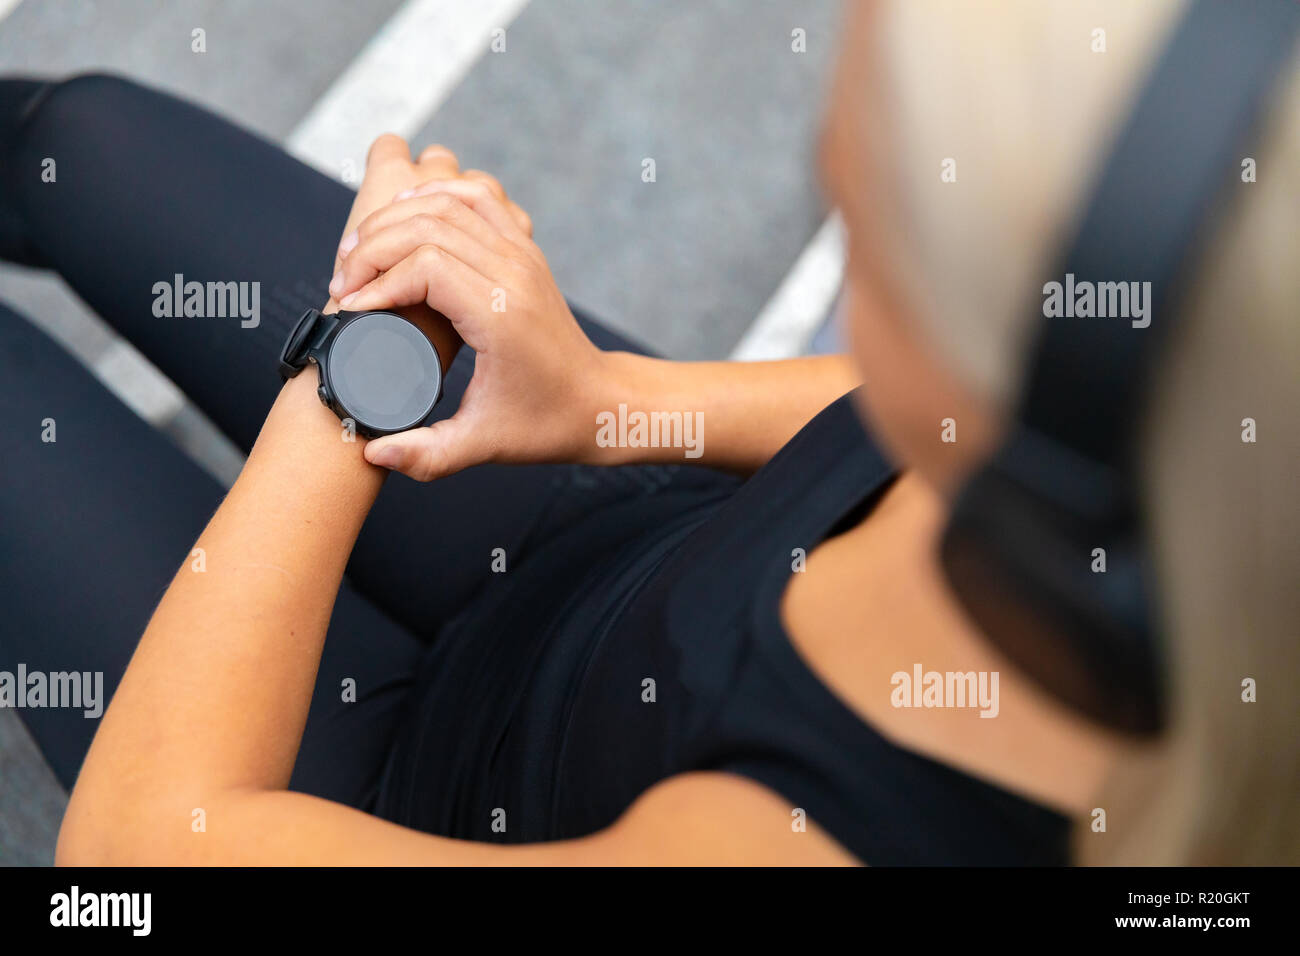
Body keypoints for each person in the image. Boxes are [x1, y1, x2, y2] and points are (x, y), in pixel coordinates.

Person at [1, 0, 1294, 865]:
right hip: (626, 546)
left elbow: (139, 850)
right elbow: (898, 413)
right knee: (78, 138)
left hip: (396, 795)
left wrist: (355, 372)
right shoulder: (1189, 461)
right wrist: (605, 404)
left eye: (867, 226)